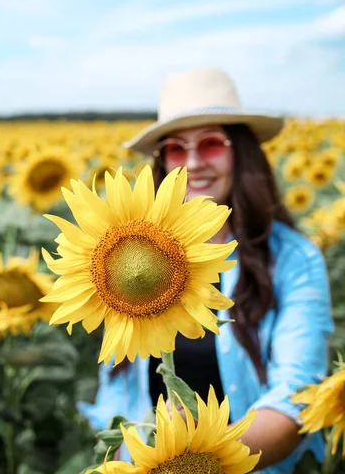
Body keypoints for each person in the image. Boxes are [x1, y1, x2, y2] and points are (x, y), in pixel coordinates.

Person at [79, 67, 334, 473]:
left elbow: (296, 399)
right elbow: (117, 390)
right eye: (177, 149)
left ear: (242, 151)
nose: (193, 163)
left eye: (211, 143)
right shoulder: (124, 254)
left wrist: (202, 455)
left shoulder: (293, 259)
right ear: (162, 161)